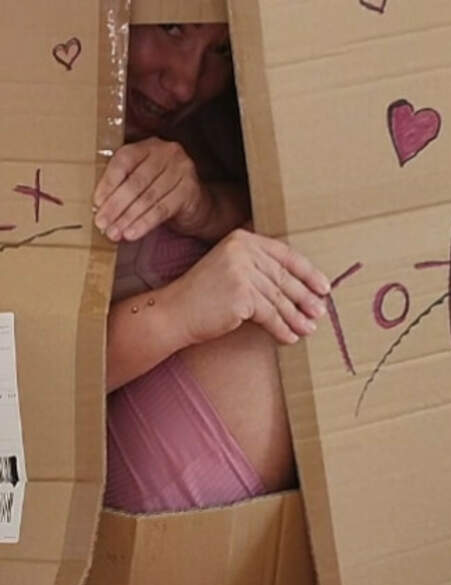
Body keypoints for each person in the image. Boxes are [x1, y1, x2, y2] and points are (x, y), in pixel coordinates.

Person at [93, 23, 327, 513]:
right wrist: (175, 313)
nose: (185, 82)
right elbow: (22, 383)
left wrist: (207, 209)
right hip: (137, 521)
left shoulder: (218, 123)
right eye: (173, 28)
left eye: (219, 49)